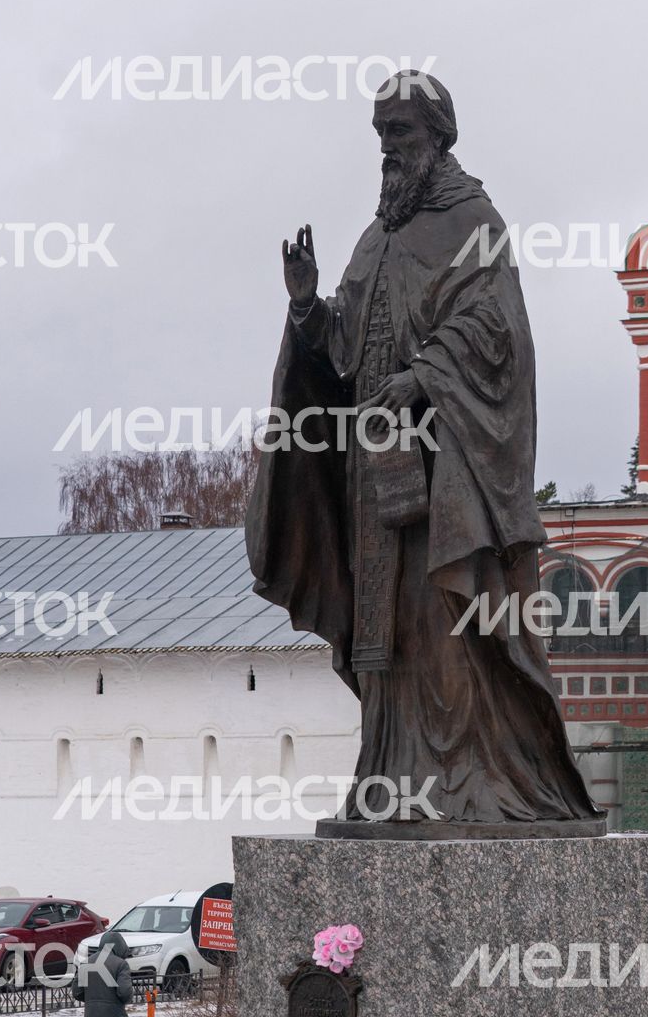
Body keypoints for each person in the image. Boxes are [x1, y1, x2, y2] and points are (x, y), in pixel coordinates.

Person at [246, 69, 599, 835]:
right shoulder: (376, 238)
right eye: (380, 136)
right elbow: (343, 348)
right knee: (388, 643)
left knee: (448, 629)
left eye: (399, 134)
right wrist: (307, 304)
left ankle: (474, 784)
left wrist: (421, 379)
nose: (387, 151)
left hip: (449, 481)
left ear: (437, 137)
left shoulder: (474, 221)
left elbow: (497, 332)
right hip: (375, 482)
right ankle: (390, 786)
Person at [83, 930, 132, 1017]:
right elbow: (124, 992)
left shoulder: (86, 963)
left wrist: (92, 998)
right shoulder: (121, 964)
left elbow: (77, 992)